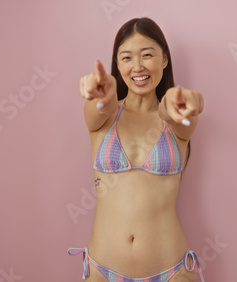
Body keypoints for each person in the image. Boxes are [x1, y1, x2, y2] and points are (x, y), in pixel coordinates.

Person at [68, 17, 205, 282]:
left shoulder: (175, 118)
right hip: (102, 271)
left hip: (171, 272)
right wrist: (103, 97)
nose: (138, 66)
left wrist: (191, 101)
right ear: (117, 65)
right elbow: (100, 107)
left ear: (164, 59)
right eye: (127, 58)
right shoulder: (103, 117)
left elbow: (182, 110)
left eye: (147, 55)